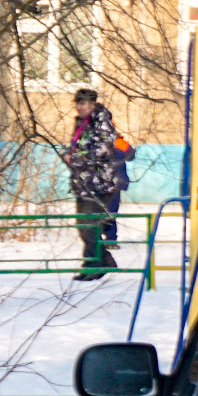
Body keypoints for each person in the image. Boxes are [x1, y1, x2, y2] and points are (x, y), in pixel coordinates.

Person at [61, 87, 120, 280]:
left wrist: (76, 158)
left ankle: (93, 265)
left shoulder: (102, 122)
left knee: (89, 226)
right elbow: (77, 147)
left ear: (93, 104)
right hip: (84, 182)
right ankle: (105, 261)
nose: (79, 107)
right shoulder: (81, 123)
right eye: (77, 103)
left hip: (99, 183)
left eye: (83, 103)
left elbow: (101, 151)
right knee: (83, 226)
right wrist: (68, 154)